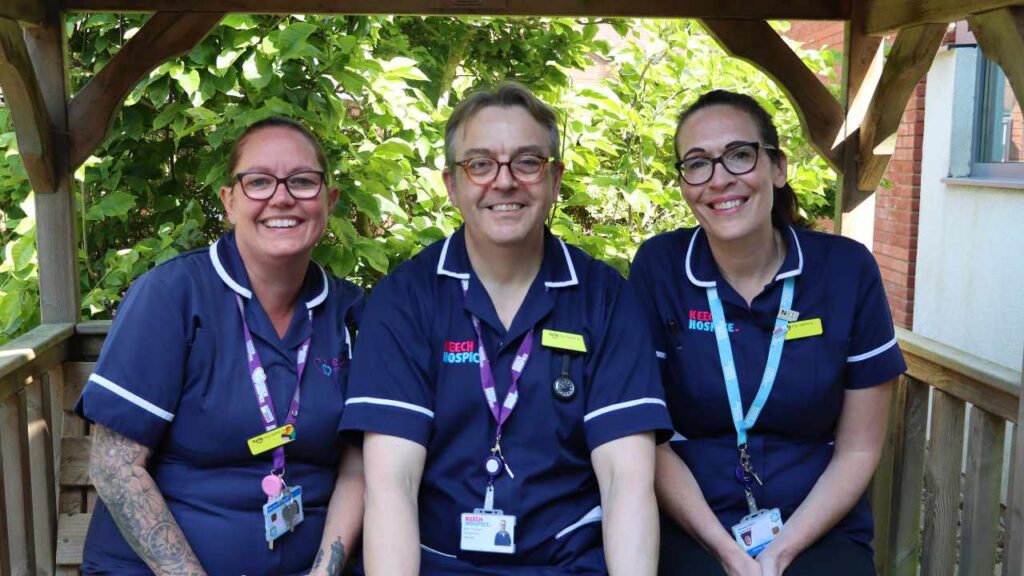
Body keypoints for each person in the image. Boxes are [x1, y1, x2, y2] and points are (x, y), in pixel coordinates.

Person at [340, 82, 672, 575]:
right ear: (452, 185)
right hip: (439, 564)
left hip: (567, 564)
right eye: (479, 163)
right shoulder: (405, 298)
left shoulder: (605, 298)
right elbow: (392, 484)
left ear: (555, 179)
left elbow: (626, 481)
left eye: (527, 161)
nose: (504, 181)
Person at [629, 90, 906, 576]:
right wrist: (726, 552)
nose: (719, 180)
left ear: (777, 168)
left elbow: (860, 446)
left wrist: (779, 553)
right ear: (683, 183)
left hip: (818, 523)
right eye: (697, 164)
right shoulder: (659, 267)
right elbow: (649, 439)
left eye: (739, 155)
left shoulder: (845, 270)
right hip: (692, 522)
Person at [75, 117, 364, 576]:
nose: (282, 196)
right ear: (229, 202)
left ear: (329, 202)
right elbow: (115, 468)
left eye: (303, 182)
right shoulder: (172, 296)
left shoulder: (350, 311)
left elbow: (357, 466)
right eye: (259, 181)